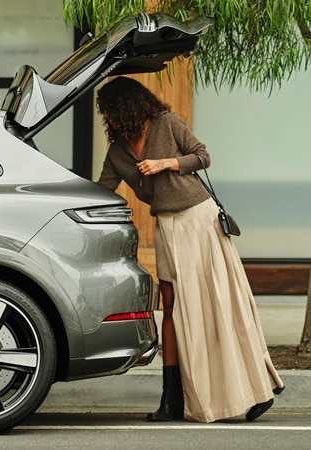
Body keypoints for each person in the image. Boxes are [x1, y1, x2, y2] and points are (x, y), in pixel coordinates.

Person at [94, 76, 285, 423]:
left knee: (218, 303)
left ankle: (257, 389)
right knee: (171, 308)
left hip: (198, 219)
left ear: (126, 105)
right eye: (104, 113)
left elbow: (202, 156)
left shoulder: (167, 124)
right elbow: (102, 189)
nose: (107, 117)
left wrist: (166, 163)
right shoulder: (118, 151)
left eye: (109, 110)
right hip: (166, 226)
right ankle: (172, 401)